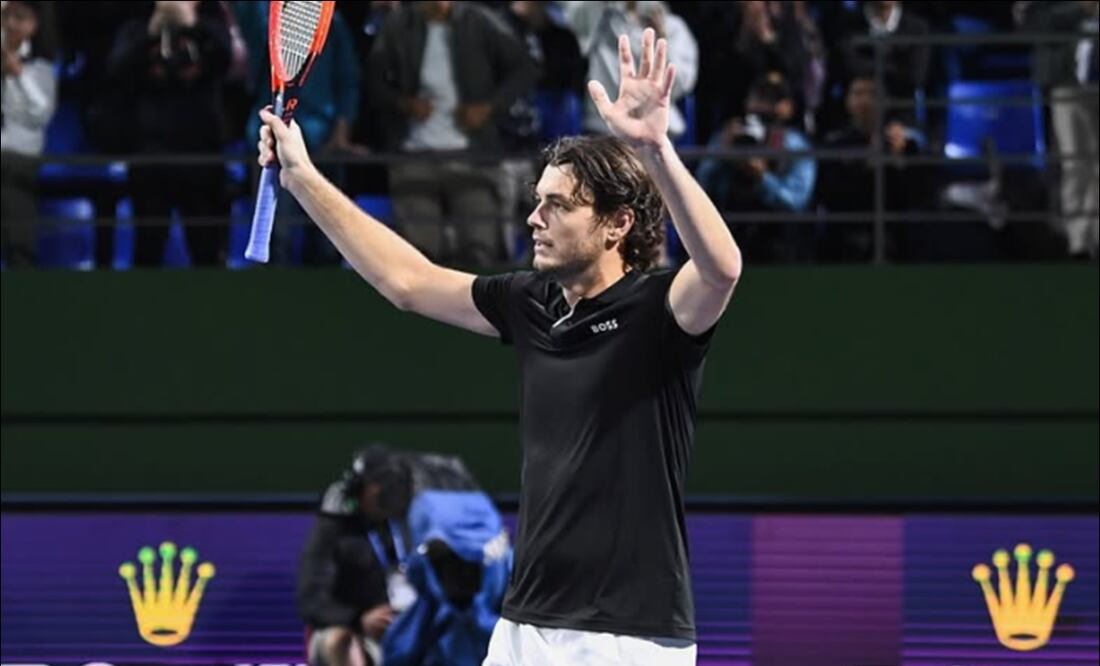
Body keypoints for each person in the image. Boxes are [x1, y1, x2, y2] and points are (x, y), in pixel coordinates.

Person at [259, 28, 742, 665]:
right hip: (523, 626)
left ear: (617, 225)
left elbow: (722, 269)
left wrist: (655, 150)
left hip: (629, 634)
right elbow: (408, 283)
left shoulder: (660, 312)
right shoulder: (530, 302)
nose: (534, 218)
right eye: (536, 201)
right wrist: (302, 178)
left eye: (558, 205)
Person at [366, 0, 536, 267]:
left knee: (481, 253)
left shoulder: (480, 21)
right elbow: (373, 82)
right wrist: (403, 103)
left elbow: (524, 67)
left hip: (473, 157)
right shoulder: (398, 25)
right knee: (418, 259)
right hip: (413, 157)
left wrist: (489, 107)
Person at [299, 445, 414, 666]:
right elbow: (311, 601)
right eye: (380, 485)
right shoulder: (333, 529)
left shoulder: (405, 524)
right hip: (358, 633)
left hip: (405, 627)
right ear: (361, 488)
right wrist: (359, 620)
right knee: (337, 640)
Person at [1, 0, 57, 268]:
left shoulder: (41, 67)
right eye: (6, 16)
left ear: (34, 25)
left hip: (18, 165)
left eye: (19, 17)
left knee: (19, 246)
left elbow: (41, 114)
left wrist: (18, 75)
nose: (10, 24)